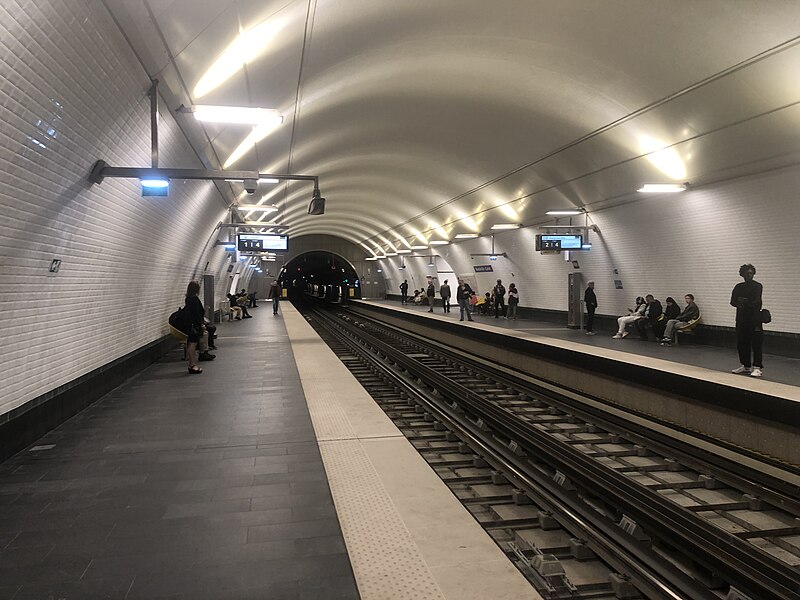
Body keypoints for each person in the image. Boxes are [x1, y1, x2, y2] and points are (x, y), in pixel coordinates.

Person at [730, 264, 764, 377]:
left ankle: (757, 367)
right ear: (742, 274)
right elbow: (733, 301)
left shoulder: (757, 286)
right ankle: (746, 365)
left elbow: (756, 301)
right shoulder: (738, 286)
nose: (749, 275)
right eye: (746, 273)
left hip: (754, 319)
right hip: (741, 319)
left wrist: (743, 302)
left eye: (750, 273)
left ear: (753, 274)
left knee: (756, 343)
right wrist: (744, 302)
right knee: (742, 343)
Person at [184, 281, 215, 374]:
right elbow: (197, 313)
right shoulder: (194, 299)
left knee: (192, 344)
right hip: (194, 325)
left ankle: (193, 363)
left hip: (190, 325)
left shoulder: (188, 298)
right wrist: (201, 324)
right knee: (192, 345)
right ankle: (192, 365)